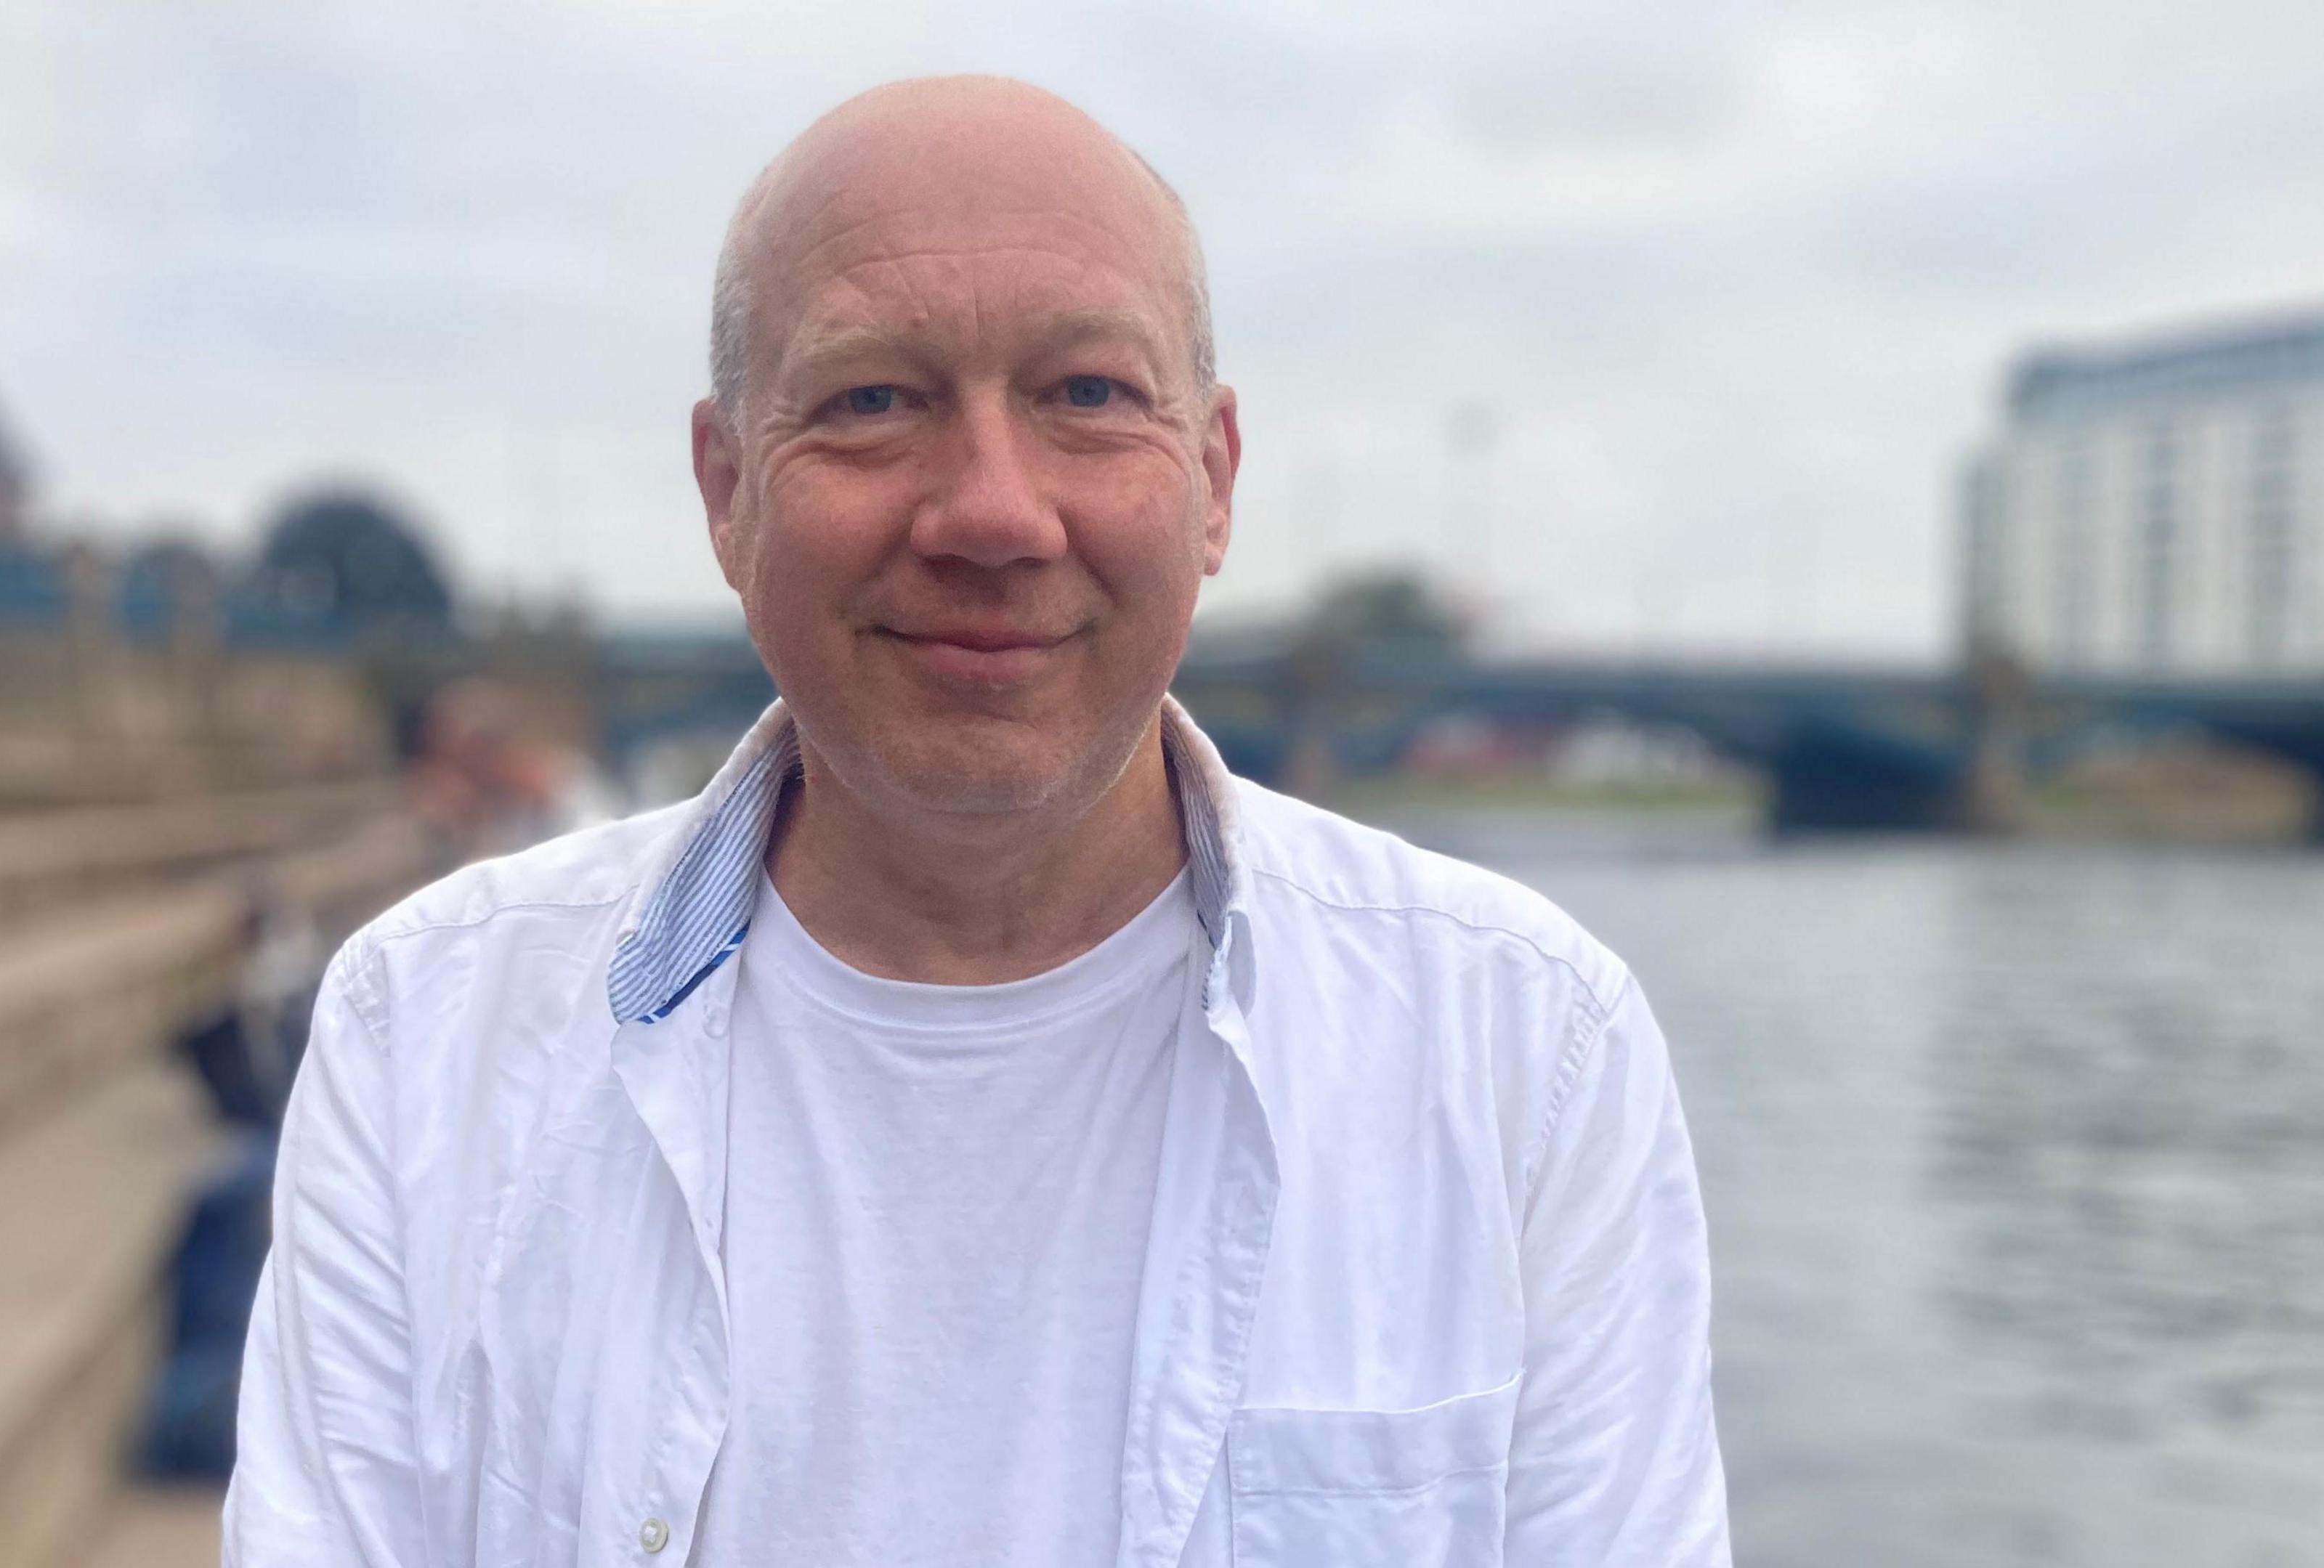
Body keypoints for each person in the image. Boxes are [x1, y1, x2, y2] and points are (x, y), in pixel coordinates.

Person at [225, 76, 1728, 1567]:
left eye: (1086, 395)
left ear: (1211, 480)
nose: (996, 514)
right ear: (728, 489)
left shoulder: (1530, 1054)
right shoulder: (424, 1036)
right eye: (874, 402)